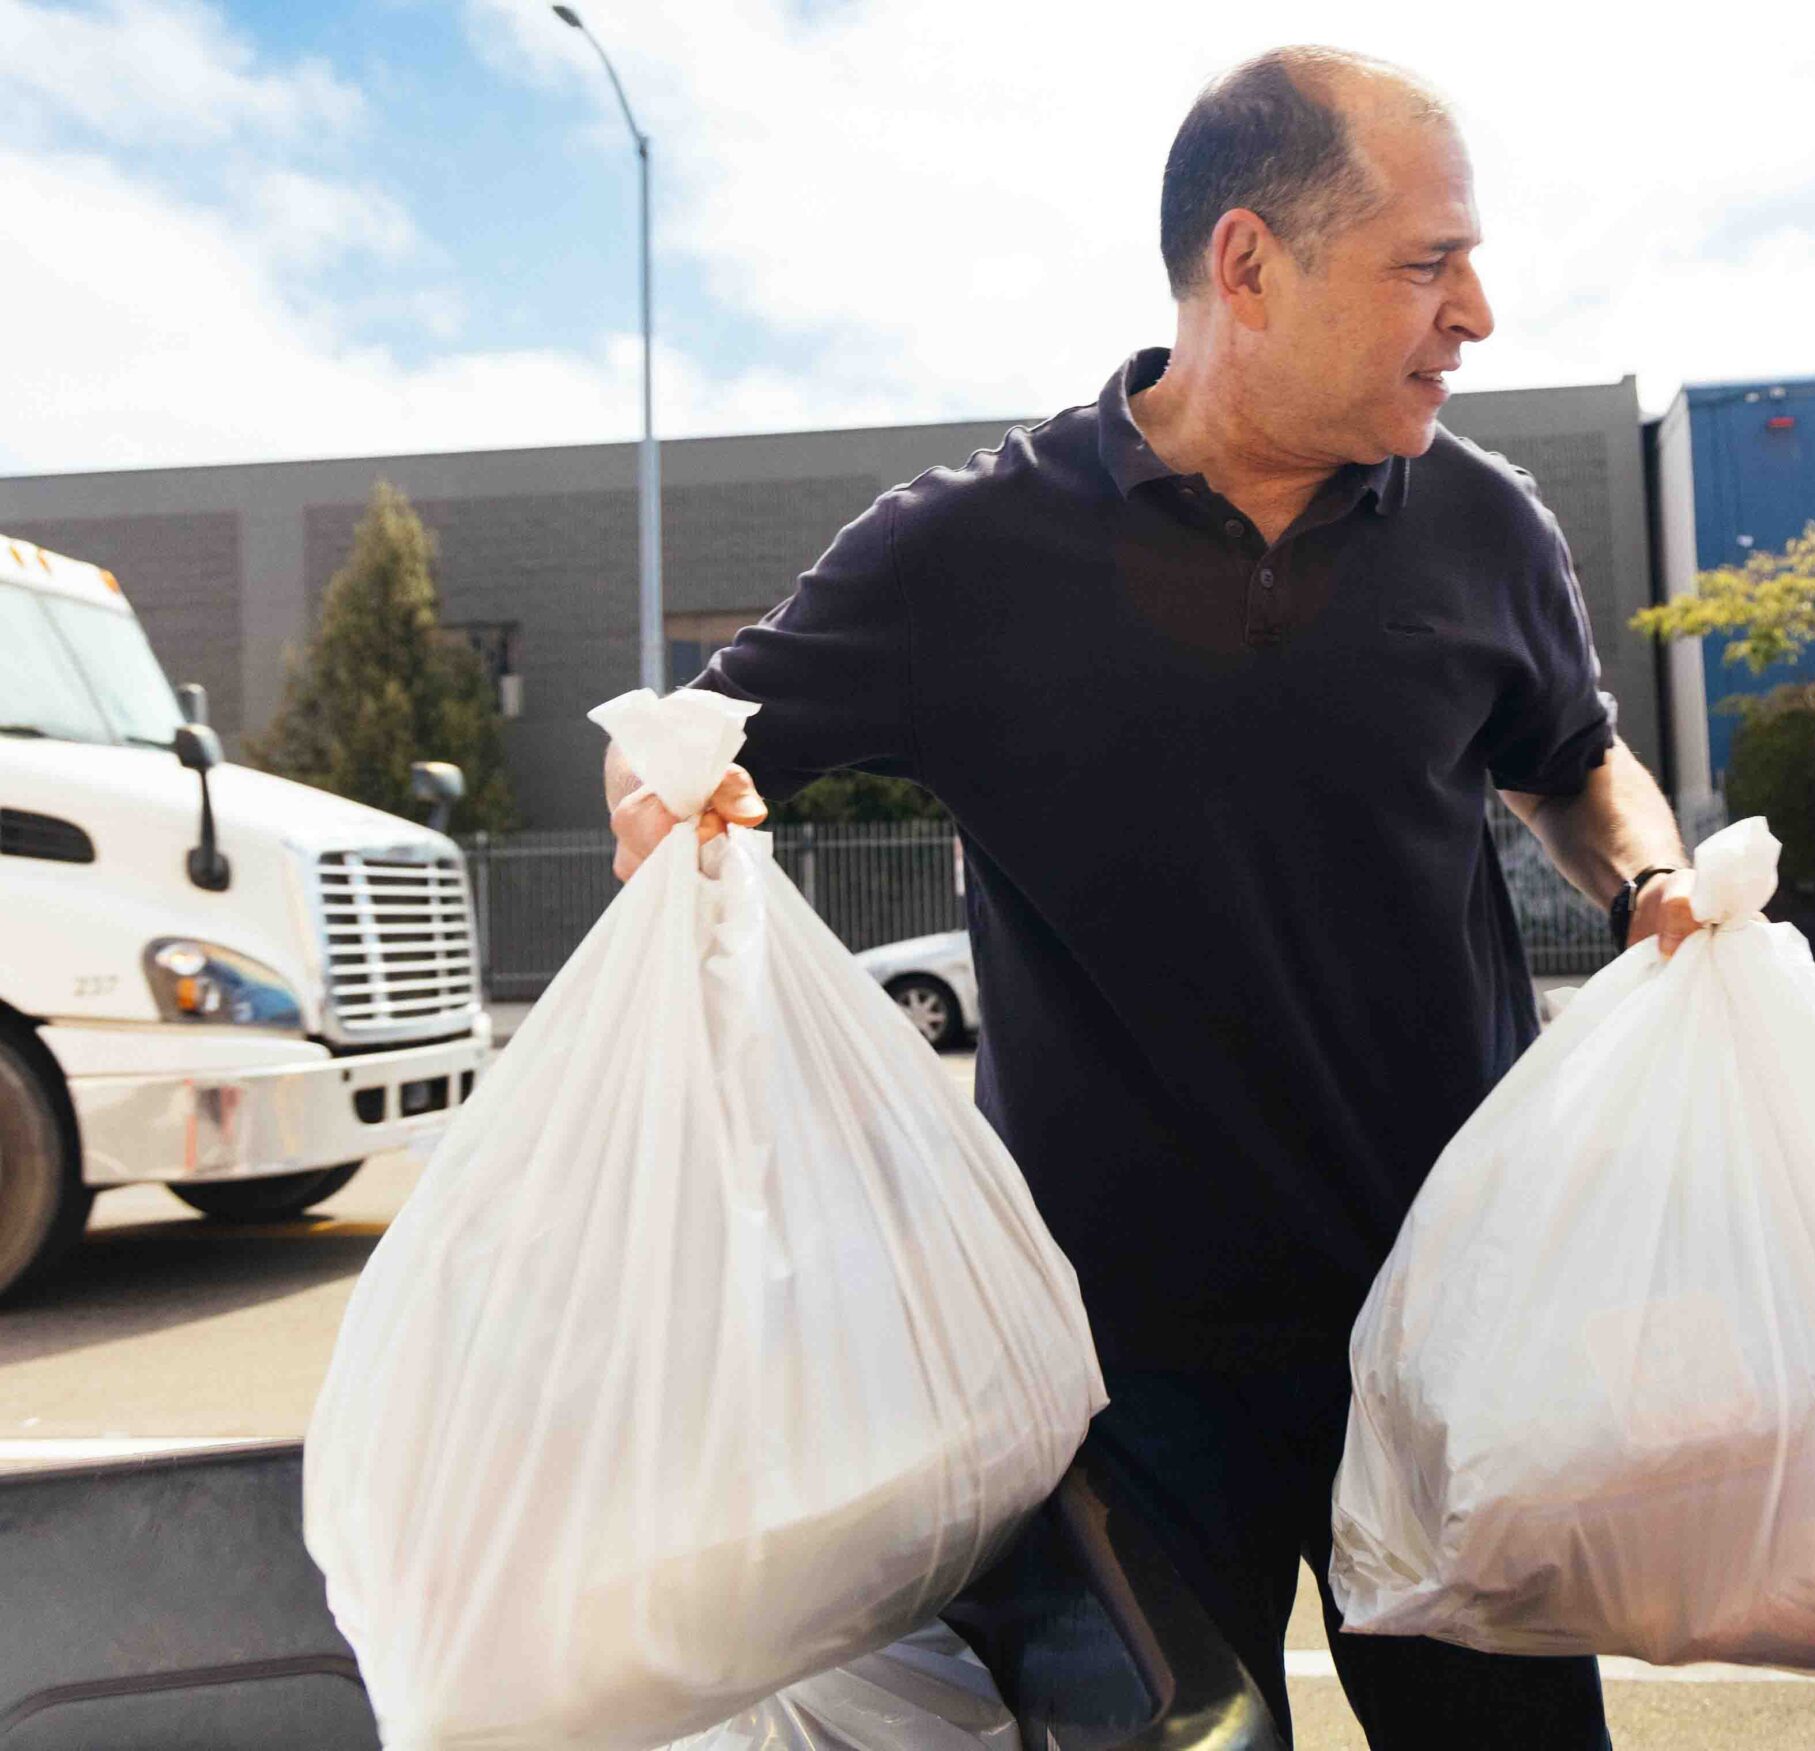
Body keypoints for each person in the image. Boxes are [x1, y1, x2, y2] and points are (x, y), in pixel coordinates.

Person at [604, 45, 1698, 1749]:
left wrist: (1652, 879)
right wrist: (670, 797)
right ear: (1249, 263)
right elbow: (686, 745)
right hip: (1123, 1385)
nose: (1475, 313)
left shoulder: (1487, 527)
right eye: (1428, 262)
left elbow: (1575, 761)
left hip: (1449, 1333)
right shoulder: (960, 554)